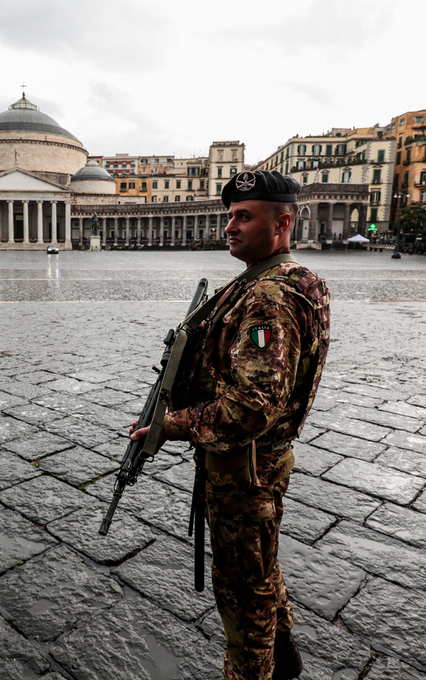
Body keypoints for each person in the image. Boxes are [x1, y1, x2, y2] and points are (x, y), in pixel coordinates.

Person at [130, 169, 331, 680]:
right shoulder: (296, 280)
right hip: (263, 462)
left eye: (244, 216)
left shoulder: (268, 296)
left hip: (244, 468)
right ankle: (285, 664)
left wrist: (167, 426)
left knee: (242, 593)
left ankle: (254, 671)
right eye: (229, 217)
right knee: (260, 570)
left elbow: (251, 408)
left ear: (282, 222)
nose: (230, 227)